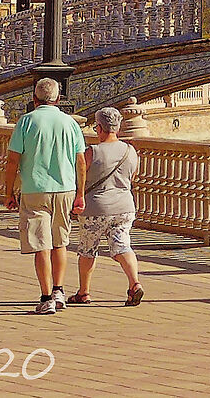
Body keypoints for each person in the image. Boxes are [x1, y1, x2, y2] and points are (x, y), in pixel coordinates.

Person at [2, 78, 86, 315]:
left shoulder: (26, 122)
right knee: (60, 242)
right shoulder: (70, 124)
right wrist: (80, 193)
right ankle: (59, 290)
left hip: (34, 189)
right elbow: (80, 161)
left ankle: (46, 296)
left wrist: (8, 192)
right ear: (59, 99)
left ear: (34, 99)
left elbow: (12, 161)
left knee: (41, 244)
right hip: (65, 189)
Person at [70, 107, 143, 306]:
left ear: (100, 127)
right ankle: (134, 283)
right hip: (124, 207)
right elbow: (132, 178)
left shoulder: (92, 151)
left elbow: (79, 179)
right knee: (122, 245)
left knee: (87, 250)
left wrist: (77, 198)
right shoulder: (130, 150)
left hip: (95, 209)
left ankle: (84, 292)